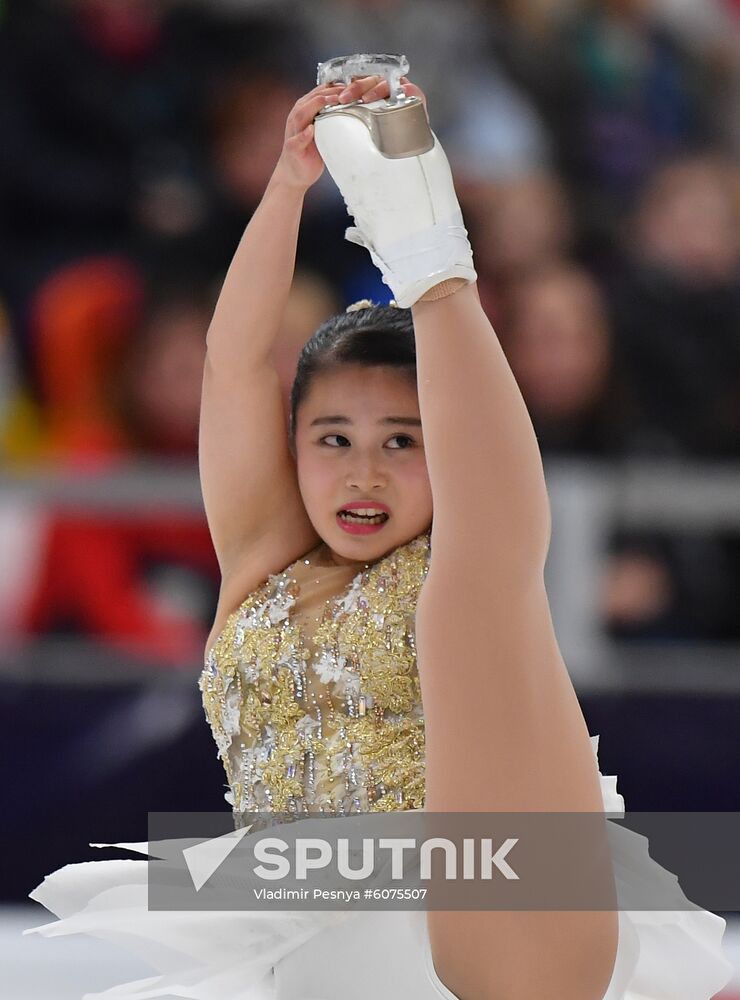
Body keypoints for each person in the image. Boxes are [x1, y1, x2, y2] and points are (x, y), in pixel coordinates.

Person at [24, 72, 733, 1000]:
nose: (363, 474)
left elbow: (494, 500)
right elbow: (231, 364)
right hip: (308, 928)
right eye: (335, 440)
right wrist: (286, 185)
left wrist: (431, 259)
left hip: (498, 906)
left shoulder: (465, 567)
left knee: (465, 603)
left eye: (404, 442)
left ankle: (432, 258)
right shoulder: (262, 563)